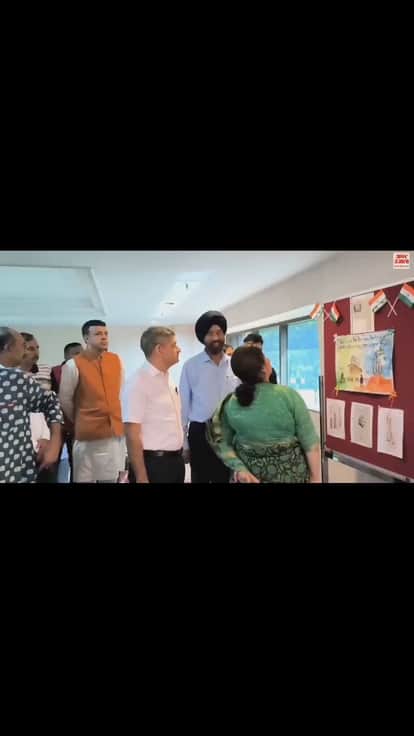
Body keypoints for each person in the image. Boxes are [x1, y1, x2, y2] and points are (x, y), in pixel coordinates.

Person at [206, 346, 321, 483]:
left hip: (251, 477)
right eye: (265, 358)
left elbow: (220, 440)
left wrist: (239, 468)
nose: (269, 360)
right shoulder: (287, 395)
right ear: (263, 369)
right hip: (292, 475)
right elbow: (310, 442)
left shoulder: (231, 402)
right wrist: (315, 478)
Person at [59, 319, 126, 483]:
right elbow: (65, 399)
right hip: (88, 436)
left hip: (115, 433)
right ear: (86, 338)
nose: (104, 337)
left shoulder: (116, 361)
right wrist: (81, 419)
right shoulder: (73, 365)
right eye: (98, 334)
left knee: (115, 478)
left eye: (106, 334)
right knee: (86, 478)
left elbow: (121, 393)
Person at [179, 310, 240, 483]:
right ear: (202, 337)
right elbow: (183, 406)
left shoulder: (234, 365)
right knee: (201, 478)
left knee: (226, 478)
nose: (216, 337)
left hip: (229, 432)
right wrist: (184, 443)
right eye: (210, 333)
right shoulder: (191, 366)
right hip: (200, 433)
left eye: (219, 332)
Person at [0, 327, 63, 483]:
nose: (26, 351)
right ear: (8, 347)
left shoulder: (17, 379)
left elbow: (51, 402)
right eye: (24, 346)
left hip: (17, 468)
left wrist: (54, 443)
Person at [122, 327, 184, 483]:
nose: (179, 349)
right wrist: (141, 477)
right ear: (159, 349)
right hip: (153, 465)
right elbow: (132, 434)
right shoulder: (138, 382)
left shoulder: (167, 379)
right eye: (174, 345)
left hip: (175, 462)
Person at [51, 341, 82, 482]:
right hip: (57, 424)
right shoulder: (55, 371)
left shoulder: (85, 371)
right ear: (66, 356)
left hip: (76, 425)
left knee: (77, 463)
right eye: (76, 353)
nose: (80, 356)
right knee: (53, 461)